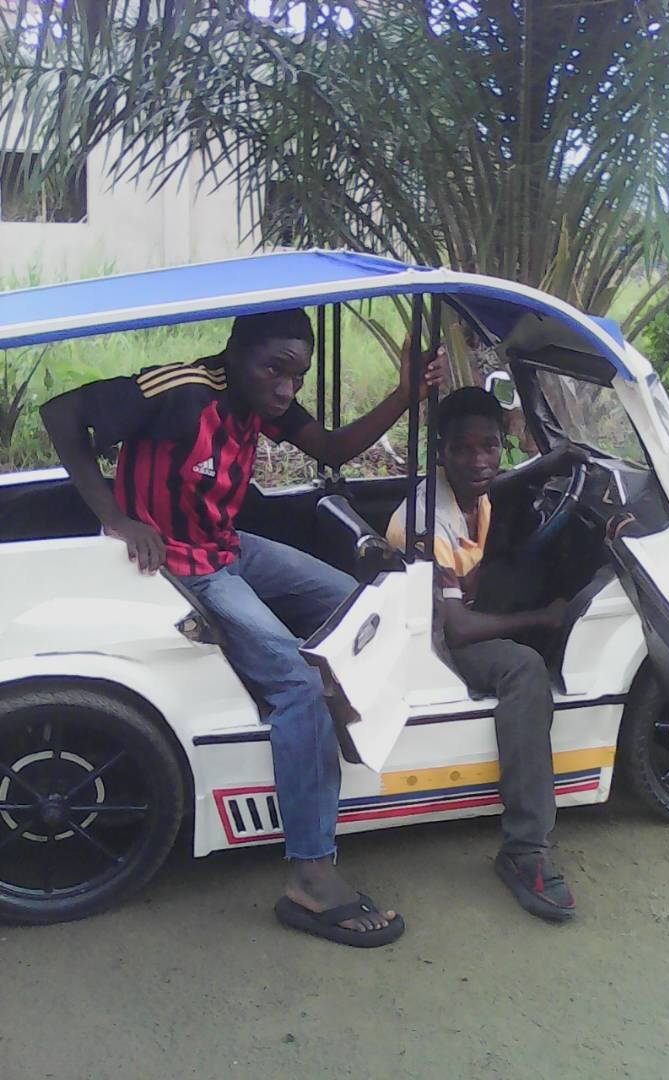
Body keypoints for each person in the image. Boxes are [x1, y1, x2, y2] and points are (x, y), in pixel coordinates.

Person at [40, 308, 442, 949]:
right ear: (235, 355)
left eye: (297, 375)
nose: (286, 387)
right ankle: (310, 876)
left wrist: (404, 392)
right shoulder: (182, 391)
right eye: (275, 369)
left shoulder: (263, 401)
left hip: (225, 546)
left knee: (354, 607)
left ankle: (309, 721)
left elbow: (333, 448)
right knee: (295, 683)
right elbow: (62, 413)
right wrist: (116, 519)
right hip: (178, 562)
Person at [386, 386, 588, 921]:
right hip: (429, 642)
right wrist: (542, 620)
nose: (479, 461)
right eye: (463, 449)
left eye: (491, 447)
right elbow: (456, 629)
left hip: (455, 607)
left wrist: (553, 462)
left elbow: (499, 483)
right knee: (523, 667)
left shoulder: (473, 491)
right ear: (441, 452)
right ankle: (526, 849)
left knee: (529, 572)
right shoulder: (428, 521)